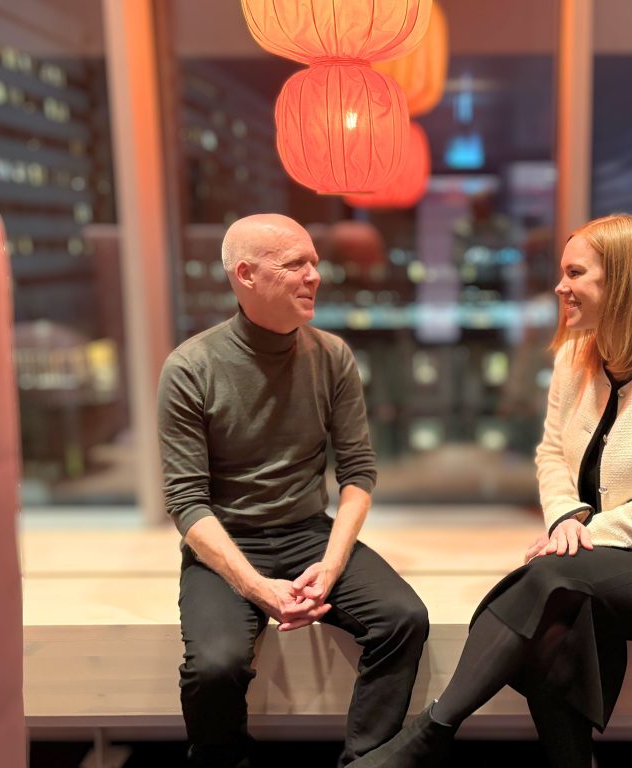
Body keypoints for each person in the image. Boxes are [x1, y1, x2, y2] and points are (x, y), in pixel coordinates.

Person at [348, 213, 632, 768]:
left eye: (575, 273)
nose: (559, 287)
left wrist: (579, 533)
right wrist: (565, 518)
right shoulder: (574, 357)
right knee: (555, 619)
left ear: (621, 281)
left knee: (550, 578)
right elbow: (550, 453)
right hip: (590, 555)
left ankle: (432, 731)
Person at [157, 214, 429, 768]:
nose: (315, 276)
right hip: (226, 543)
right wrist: (259, 588)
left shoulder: (332, 356)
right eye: (295, 264)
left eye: (315, 262)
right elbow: (186, 503)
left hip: (309, 533)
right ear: (246, 275)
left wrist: (331, 565)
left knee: (403, 618)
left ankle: (365, 761)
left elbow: (358, 474)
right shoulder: (190, 367)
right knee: (214, 666)